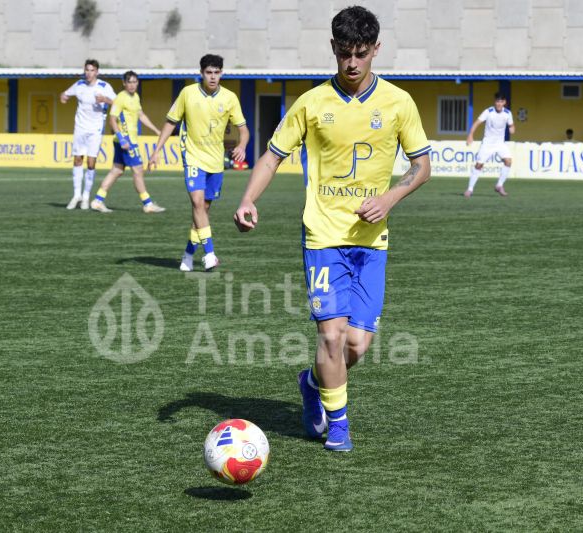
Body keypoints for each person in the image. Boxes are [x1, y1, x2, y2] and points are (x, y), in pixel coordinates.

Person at [233, 5, 431, 452]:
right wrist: (247, 199)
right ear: (334, 49)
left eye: (361, 53)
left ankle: (311, 381)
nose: (353, 63)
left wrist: (390, 198)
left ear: (376, 49)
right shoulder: (312, 103)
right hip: (322, 237)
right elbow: (272, 156)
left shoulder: (399, 103)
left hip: (371, 242)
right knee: (331, 334)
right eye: (345, 53)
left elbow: (422, 167)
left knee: (356, 346)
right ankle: (338, 424)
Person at [148, 54, 249, 271]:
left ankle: (187, 255)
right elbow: (170, 123)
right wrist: (156, 151)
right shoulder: (187, 93)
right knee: (196, 203)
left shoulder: (230, 98)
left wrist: (242, 145)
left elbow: (244, 129)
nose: (212, 77)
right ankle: (210, 254)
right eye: (208, 73)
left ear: (221, 73)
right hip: (192, 157)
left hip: (216, 162)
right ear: (201, 73)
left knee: (202, 210)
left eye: (216, 73)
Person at [90, 71, 165, 214]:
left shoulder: (135, 97)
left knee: (116, 171)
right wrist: (122, 138)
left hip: (124, 141)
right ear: (124, 83)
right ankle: (147, 204)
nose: (132, 85)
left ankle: (98, 200)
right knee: (138, 171)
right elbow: (112, 119)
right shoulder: (120, 98)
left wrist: (156, 130)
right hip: (126, 141)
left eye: (134, 82)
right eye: (129, 82)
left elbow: (141, 115)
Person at [60, 59, 116, 210]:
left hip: (95, 129)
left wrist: (105, 99)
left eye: (92, 70)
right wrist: (64, 97)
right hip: (80, 128)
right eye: (87, 70)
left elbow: (118, 103)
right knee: (77, 160)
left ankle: (86, 197)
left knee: (91, 163)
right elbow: (64, 94)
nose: (88, 73)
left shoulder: (104, 87)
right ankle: (76, 195)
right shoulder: (79, 85)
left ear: (97, 72)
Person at [465, 93, 515, 197]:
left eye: (501, 102)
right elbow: (477, 123)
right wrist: (470, 135)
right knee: (479, 165)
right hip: (488, 142)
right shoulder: (488, 112)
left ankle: (499, 185)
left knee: (508, 161)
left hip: (500, 143)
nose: (499, 104)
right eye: (497, 101)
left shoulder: (507, 113)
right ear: (495, 102)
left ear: (504, 103)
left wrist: (512, 129)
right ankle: (470, 189)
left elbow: (511, 125)